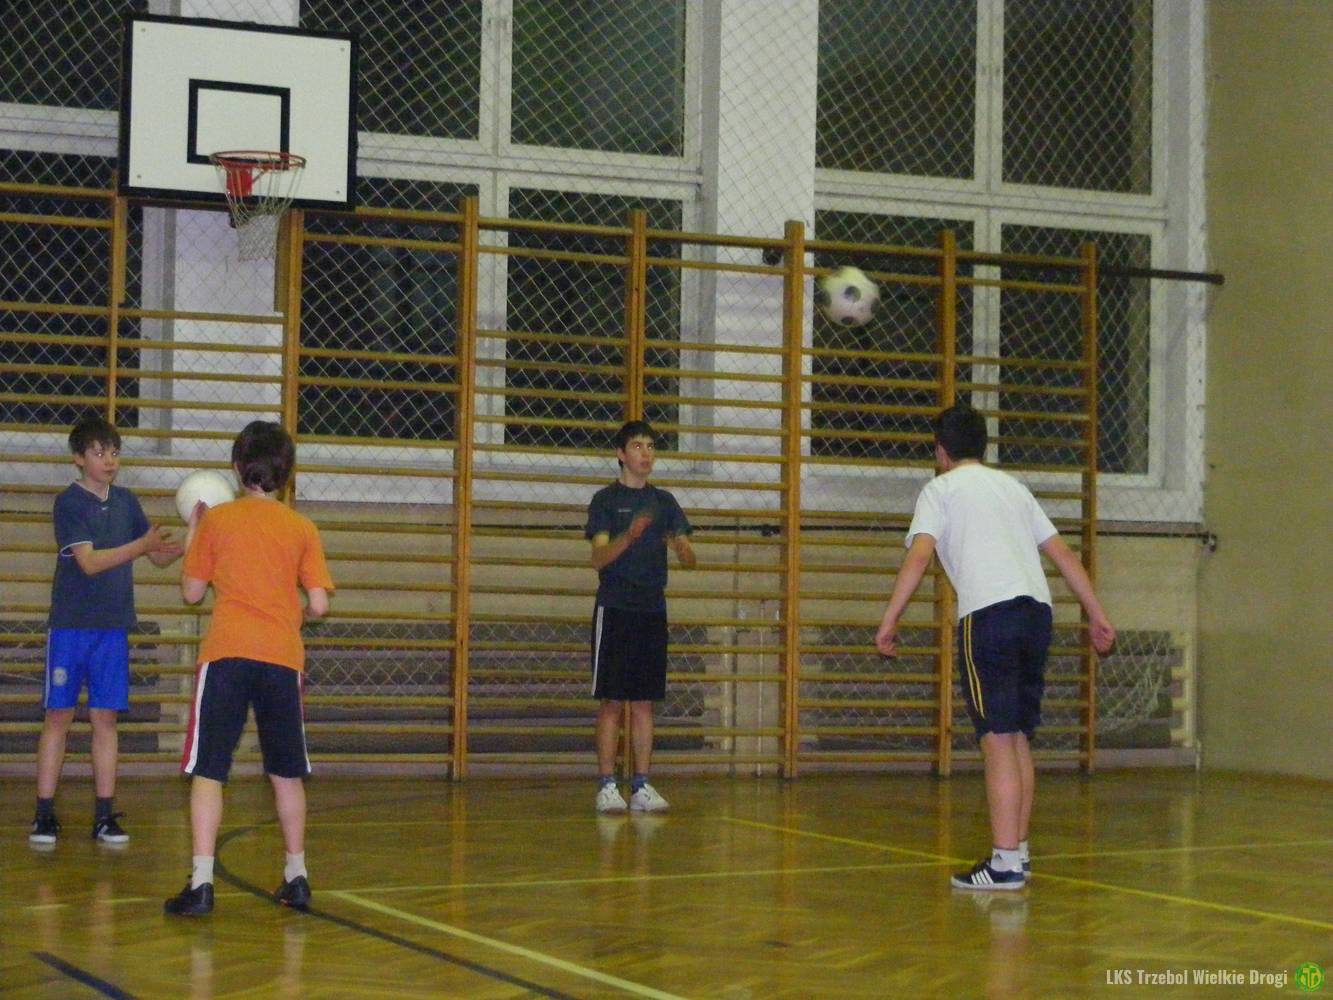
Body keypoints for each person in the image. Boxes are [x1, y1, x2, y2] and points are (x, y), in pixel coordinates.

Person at [875, 403, 1115, 891]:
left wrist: (889, 619)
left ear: (940, 452)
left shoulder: (940, 490)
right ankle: (1017, 853)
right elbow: (1062, 553)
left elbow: (919, 556)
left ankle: (1004, 863)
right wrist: (1097, 614)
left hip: (990, 616)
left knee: (996, 738)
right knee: (1017, 735)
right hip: (1037, 613)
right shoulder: (1013, 488)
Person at [164, 421, 333, 916]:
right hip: (281, 658)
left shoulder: (217, 522)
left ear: (237, 468)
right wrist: (293, 611)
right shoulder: (302, 527)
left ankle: (201, 884)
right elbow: (319, 604)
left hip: (228, 654)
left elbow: (191, 593)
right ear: (287, 473)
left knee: (209, 770)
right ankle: (297, 877)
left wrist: (195, 534)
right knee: (286, 773)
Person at [30, 412, 183, 847]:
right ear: (79, 458)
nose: (109, 460)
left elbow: (158, 556)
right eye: (99, 453)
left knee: (105, 719)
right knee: (58, 717)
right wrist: (141, 545)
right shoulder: (69, 503)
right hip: (71, 627)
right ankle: (44, 814)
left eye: (114, 452)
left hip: (113, 629)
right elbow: (90, 562)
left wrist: (199, 532)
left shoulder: (126, 501)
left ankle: (103, 816)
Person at [585, 420, 695, 814]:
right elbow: (599, 558)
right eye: (637, 446)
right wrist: (629, 536)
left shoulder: (664, 502)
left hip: (652, 608)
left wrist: (681, 548)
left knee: (644, 701)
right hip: (615, 607)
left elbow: (689, 558)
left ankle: (642, 785)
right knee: (612, 700)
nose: (645, 453)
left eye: (650, 445)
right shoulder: (605, 501)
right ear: (621, 454)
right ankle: (606, 784)